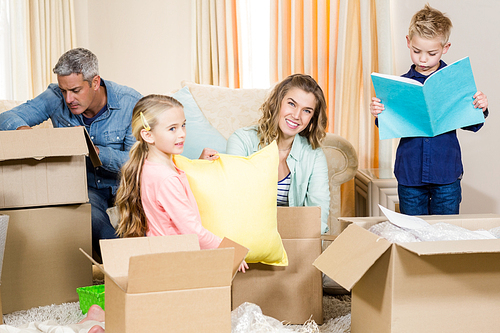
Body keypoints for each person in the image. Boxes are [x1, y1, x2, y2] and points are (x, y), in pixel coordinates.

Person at [0, 48, 142, 258]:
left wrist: (95, 152)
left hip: (125, 185)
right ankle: (124, 267)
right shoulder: (55, 97)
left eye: (75, 90)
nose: (68, 99)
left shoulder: (130, 102)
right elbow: (7, 118)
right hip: (85, 187)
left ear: (95, 82)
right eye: (64, 90)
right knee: (91, 217)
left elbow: (135, 162)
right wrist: (26, 134)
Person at [369, 4, 489, 215]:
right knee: (413, 234)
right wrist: (379, 111)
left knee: (445, 233)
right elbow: (389, 125)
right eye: (416, 51)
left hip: (447, 174)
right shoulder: (400, 86)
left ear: (445, 48)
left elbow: (473, 124)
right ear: (408, 42)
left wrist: (480, 106)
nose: (423, 59)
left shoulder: (454, 82)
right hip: (410, 174)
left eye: (431, 53)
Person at [226, 74, 330, 234]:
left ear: (312, 118)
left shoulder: (314, 155)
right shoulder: (242, 141)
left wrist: (307, 250)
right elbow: (233, 200)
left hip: (293, 238)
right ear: (277, 102)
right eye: (291, 104)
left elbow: (318, 216)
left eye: (307, 111)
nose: (296, 116)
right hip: (248, 235)